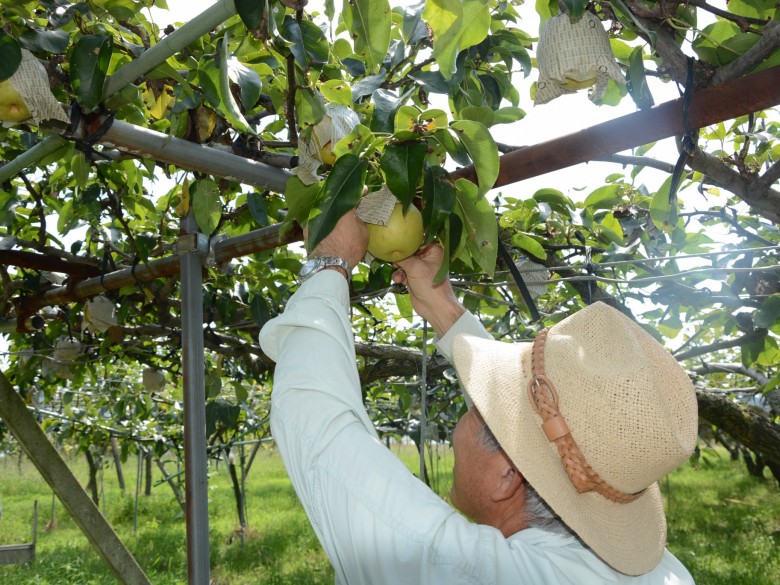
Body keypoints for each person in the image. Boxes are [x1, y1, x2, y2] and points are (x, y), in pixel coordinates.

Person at [259, 210, 698, 584]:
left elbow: (314, 421)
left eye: (488, 412)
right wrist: (441, 305)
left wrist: (329, 261)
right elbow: (535, 434)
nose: (467, 417)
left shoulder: (471, 571)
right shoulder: (663, 572)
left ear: (508, 476)